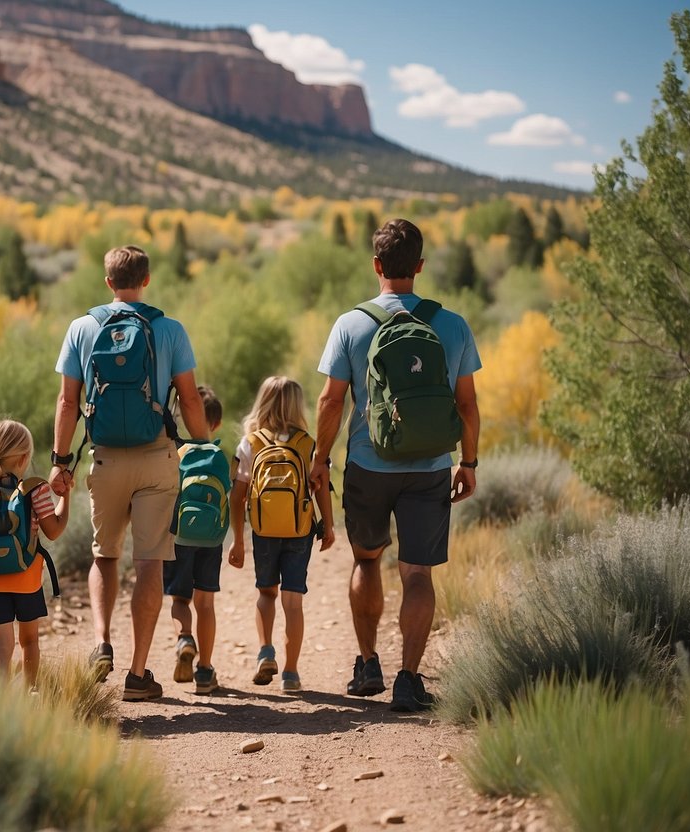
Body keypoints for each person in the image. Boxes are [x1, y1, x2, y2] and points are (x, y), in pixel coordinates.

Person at [311, 218, 481, 712]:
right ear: (420, 267)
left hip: (368, 464)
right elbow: (467, 405)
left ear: (377, 266)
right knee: (418, 574)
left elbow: (329, 401)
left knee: (367, 559)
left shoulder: (351, 323)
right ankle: (409, 679)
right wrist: (468, 462)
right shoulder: (451, 325)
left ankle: (367, 665)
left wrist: (320, 458)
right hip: (430, 467)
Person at [50, 244, 209, 702]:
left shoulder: (82, 328)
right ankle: (138, 674)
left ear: (108, 283)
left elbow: (67, 403)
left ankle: (101, 641)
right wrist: (200, 443)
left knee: (105, 555)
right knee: (149, 562)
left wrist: (61, 462)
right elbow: (191, 399)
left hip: (105, 458)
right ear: (147, 280)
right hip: (157, 457)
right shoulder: (169, 329)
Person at [227, 376, 336, 693]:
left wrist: (237, 539)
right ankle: (290, 672)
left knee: (266, 592)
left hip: (263, 530)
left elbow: (237, 496)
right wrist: (327, 525)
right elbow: (321, 489)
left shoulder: (251, 442)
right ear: (296, 404)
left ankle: (265, 651)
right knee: (293, 600)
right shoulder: (307, 444)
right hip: (299, 530)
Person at [0, 419, 69, 690]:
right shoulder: (35, 488)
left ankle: (0, 704)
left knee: (1, 647)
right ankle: (29, 694)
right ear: (24, 458)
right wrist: (66, 499)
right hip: (27, 579)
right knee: (29, 641)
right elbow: (53, 531)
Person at [165, 385, 226, 695]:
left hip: (178, 535)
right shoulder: (218, 455)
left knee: (179, 600)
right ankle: (204, 672)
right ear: (214, 423)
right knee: (206, 603)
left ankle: (184, 637)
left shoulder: (175, 452)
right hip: (211, 540)